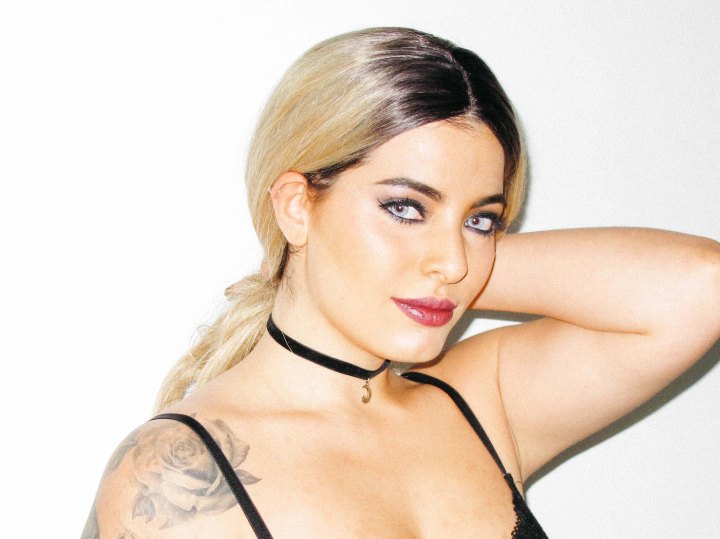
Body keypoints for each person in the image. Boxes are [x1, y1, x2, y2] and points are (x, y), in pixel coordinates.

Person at [82, 27, 720, 538]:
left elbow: (701, 286)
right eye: (406, 207)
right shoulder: (182, 474)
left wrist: (443, 265)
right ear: (297, 206)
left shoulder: (478, 403)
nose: (453, 260)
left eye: (481, 219)